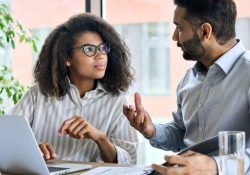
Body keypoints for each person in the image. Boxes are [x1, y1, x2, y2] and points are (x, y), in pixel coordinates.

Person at [123, 0, 250, 173]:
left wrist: (215, 166)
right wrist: (151, 129)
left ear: (205, 31)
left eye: (179, 28)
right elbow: (182, 135)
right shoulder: (189, 79)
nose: (175, 37)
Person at [9, 13, 138, 164]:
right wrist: (30, 149)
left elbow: (129, 161)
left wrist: (100, 138)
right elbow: (6, 139)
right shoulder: (38, 93)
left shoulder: (118, 100)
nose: (100, 55)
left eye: (103, 48)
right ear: (67, 58)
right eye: (89, 49)